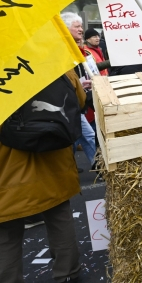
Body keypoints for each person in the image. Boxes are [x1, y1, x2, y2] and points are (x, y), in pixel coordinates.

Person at [0, 70, 85, 282]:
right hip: (53, 165)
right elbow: (79, 100)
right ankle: (68, 274)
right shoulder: (50, 59)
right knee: (60, 221)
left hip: (7, 174)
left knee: (6, 237)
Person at [61, 13, 97, 168]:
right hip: (68, 102)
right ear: (65, 28)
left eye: (81, 26)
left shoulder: (77, 48)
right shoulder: (61, 49)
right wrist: (78, 87)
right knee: (86, 136)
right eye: (77, 26)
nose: (81, 29)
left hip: (75, 101)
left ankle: (69, 169)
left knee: (79, 137)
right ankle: (100, 170)